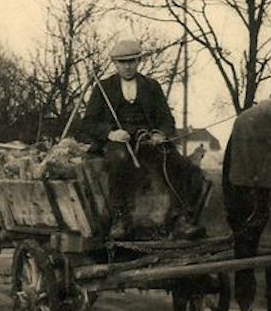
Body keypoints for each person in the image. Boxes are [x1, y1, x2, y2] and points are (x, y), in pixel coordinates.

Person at [81, 38, 204, 240]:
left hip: (147, 141)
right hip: (118, 142)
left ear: (139, 61)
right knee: (119, 160)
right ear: (115, 64)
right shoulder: (103, 87)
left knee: (179, 164)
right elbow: (88, 123)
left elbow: (166, 119)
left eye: (132, 61)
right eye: (123, 62)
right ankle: (120, 217)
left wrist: (160, 134)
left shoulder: (152, 86)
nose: (128, 66)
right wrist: (111, 133)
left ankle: (180, 218)